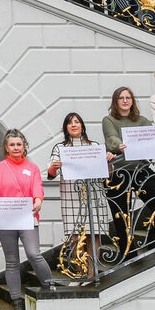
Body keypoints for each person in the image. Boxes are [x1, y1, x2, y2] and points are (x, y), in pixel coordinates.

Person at [0, 130, 55, 310]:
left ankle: (50, 287)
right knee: (12, 261)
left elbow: (37, 187)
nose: (16, 147)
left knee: (34, 253)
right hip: (5, 219)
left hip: (27, 216)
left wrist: (38, 199)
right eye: (12, 144)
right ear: (6, 148)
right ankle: (17, 302)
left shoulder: (31, 168)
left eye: (19, 144)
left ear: (24, 146)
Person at [48, 113, 114, 280]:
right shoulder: (60, 148)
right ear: (66, 128)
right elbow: (50, 172)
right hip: (71, 195)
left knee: (95, 233)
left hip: (94, 192)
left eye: (77, 122)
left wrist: (109, 161)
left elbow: (107, 172)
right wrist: (54, 167)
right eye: (70, 123)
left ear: (82, 126)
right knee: (74, 236)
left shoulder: (94, 145)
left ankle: (92, 272)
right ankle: (80, 272)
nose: (74, 125)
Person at [101, 86, 154, 158]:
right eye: (121, 98)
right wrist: (122, 146)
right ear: (115, 101)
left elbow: (154, 136)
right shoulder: (108, 120)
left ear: (132, 101)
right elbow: (112, 138)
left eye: (128, 98)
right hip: (121, 166)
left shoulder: (142, 120)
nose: (125, 101)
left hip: (142, 165)